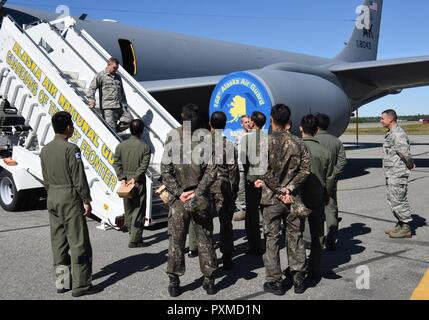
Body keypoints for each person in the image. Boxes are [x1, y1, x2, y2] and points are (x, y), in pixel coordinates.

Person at [40, 111, 101, 297]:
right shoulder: (71, 149)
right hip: (69, 197)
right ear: (68, 128)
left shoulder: (45, 150)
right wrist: (86, 200)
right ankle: (81, 285)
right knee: (78, 242)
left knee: (58, 242)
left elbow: (45, 178)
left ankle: (62, 282)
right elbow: (78, 178)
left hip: (52, 196)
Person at [161, 103, 218, 297]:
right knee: (205, 238)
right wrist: (199, 191)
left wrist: (179, 192)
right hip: (200, 196)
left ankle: (174, 281)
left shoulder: (172, 136)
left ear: (181, 117)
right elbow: (212, 171)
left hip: (179, 199)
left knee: (176, 240)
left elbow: (165, 170)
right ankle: (209, 280)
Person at [255, 104, 310, 295]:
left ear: (271, 120)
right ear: (288, 121)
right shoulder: (298, 142)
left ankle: (275, 281)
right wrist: (289, 189)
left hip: (271, 199)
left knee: (272, 239)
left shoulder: (263, 142)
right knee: (295, 236)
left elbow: (262, 171)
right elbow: (305, 170)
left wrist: (279, 190)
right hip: (292, 198)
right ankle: (298, 278)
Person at [188, 112, 239, 270]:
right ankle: (227, 256)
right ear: (225, 125)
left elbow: (195, 169)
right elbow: (233, 172)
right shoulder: (229, 145)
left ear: (210, 124)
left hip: (206, 187)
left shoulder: (200, 144)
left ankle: (205, 257)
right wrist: (234, 191)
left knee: (205, 225)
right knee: (226, 224)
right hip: (223, 187)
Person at [299, 115, 334, 279]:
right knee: (318, 233)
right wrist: (327, 194)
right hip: (317, 195)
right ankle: (314, 267)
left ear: (301, 129)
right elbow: (329, 177)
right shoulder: (324, 151)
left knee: (295, 232)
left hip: (298, 196)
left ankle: (298, 266)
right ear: (317, 130)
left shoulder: (296, 148)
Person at [113, 119, 152, 247]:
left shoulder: (121, 146)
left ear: (130, 130)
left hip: (125, 181)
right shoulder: (145, 147)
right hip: (138, 181)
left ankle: (131, 232)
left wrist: (122, 178)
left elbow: (116, 163)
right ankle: (135, 239)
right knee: (138, 209)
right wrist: (135, 178)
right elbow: (143, 166)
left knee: (128, 208)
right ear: (142, 131)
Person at [380, 109, 415, 238]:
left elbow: (404, 152)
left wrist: (410, 164)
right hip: (392, 172)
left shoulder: (397, 134)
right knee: (393, 199)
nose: (381, 121)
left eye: (382, 118)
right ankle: (400, 224)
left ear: (390, 119)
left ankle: (406, 228)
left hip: (397, 173)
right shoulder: (391, 133)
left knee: (399, 200)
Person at [314, 113, 347, 251]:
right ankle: (331, 240)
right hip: (331, 182)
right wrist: (333, 175)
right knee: (331, 210)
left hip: (315, 181)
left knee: (316, 212)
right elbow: (342, 162)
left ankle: (318, 240)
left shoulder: (313, 141)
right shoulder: (336, 141)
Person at [240, 111, 268, 255]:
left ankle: (255, 245)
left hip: (251, 180)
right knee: (267, 211)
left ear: (253, 123)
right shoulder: (269, 138)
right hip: (267, 180)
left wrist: (250, 174)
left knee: (252, 214)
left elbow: (243, 161)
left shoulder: (246, 139)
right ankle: (269, 241)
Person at [87, 57, 133, 131]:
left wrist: (125, 105)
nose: (116, 70)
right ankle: (113, 133)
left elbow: (122, 92)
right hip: (108, 108)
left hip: (119, 105)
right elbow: (91, 88)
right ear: (108, 65)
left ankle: (116, 131)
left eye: (117, 68)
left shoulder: (118, 77)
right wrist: (91, 99)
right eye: (114, 68)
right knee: (110, 128)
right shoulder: (100, 76)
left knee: (129, 119)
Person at [232, 115, 252, 221]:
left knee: (252, 188)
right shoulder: (238, 135)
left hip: (252, 167)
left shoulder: (254, 135)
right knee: (241, 188)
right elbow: (235, 151)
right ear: (241, 124)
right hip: (240, 166)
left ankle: (253, 209)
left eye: (249, 122)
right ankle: (245, 209)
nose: (248, 124)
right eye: (245, 122)